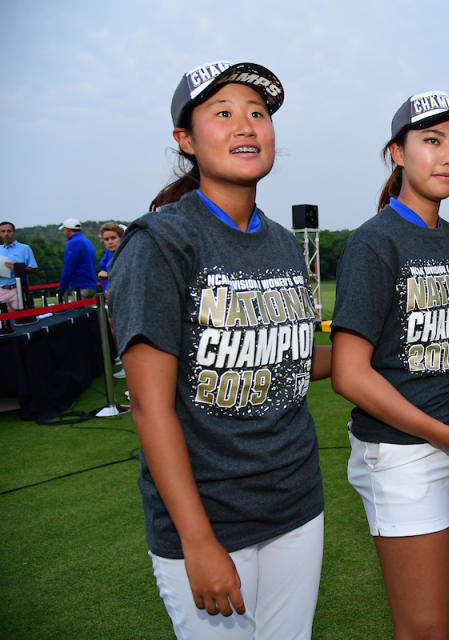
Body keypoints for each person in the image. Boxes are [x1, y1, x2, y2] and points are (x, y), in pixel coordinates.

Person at [109, 61, 330, 640]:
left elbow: (290, 364)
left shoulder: (284, 243)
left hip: (295, 502)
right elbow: (150, 406)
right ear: (185, 139)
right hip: (209, 516)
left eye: (258, 114)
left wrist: (380, 353)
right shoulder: (159, 243)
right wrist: (198, 540)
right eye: (223, 114)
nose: (246, 127)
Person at [330, 90, 449, 640]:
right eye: (431, 142)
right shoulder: (373, 242)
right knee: (424, 624)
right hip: (404, 452)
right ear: (397, 153)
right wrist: (442, 435)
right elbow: (350, 373)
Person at [0, 221, 38, 310]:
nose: (6, 234)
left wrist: (17, 267)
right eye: (3, 231)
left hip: (17, 290)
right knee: (3, 322)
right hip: (1, 290)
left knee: (19, 320)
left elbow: (34, 270)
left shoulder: (24, 248)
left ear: (14, 232)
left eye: (9, 231)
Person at [58, 218, 97, 299]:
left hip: (80, 287)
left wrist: (61, 289)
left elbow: (68, 268)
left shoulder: (73, 243)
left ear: (67, 229)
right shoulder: (87, 241)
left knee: (78, 311)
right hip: (92, 285)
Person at [97, 222, 124, 291]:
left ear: (121, 238)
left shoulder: (127, 254)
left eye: (113, 238)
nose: (110, 242)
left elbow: (131, 275)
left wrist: (108, 275)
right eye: (106, 239)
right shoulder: (113, 255)